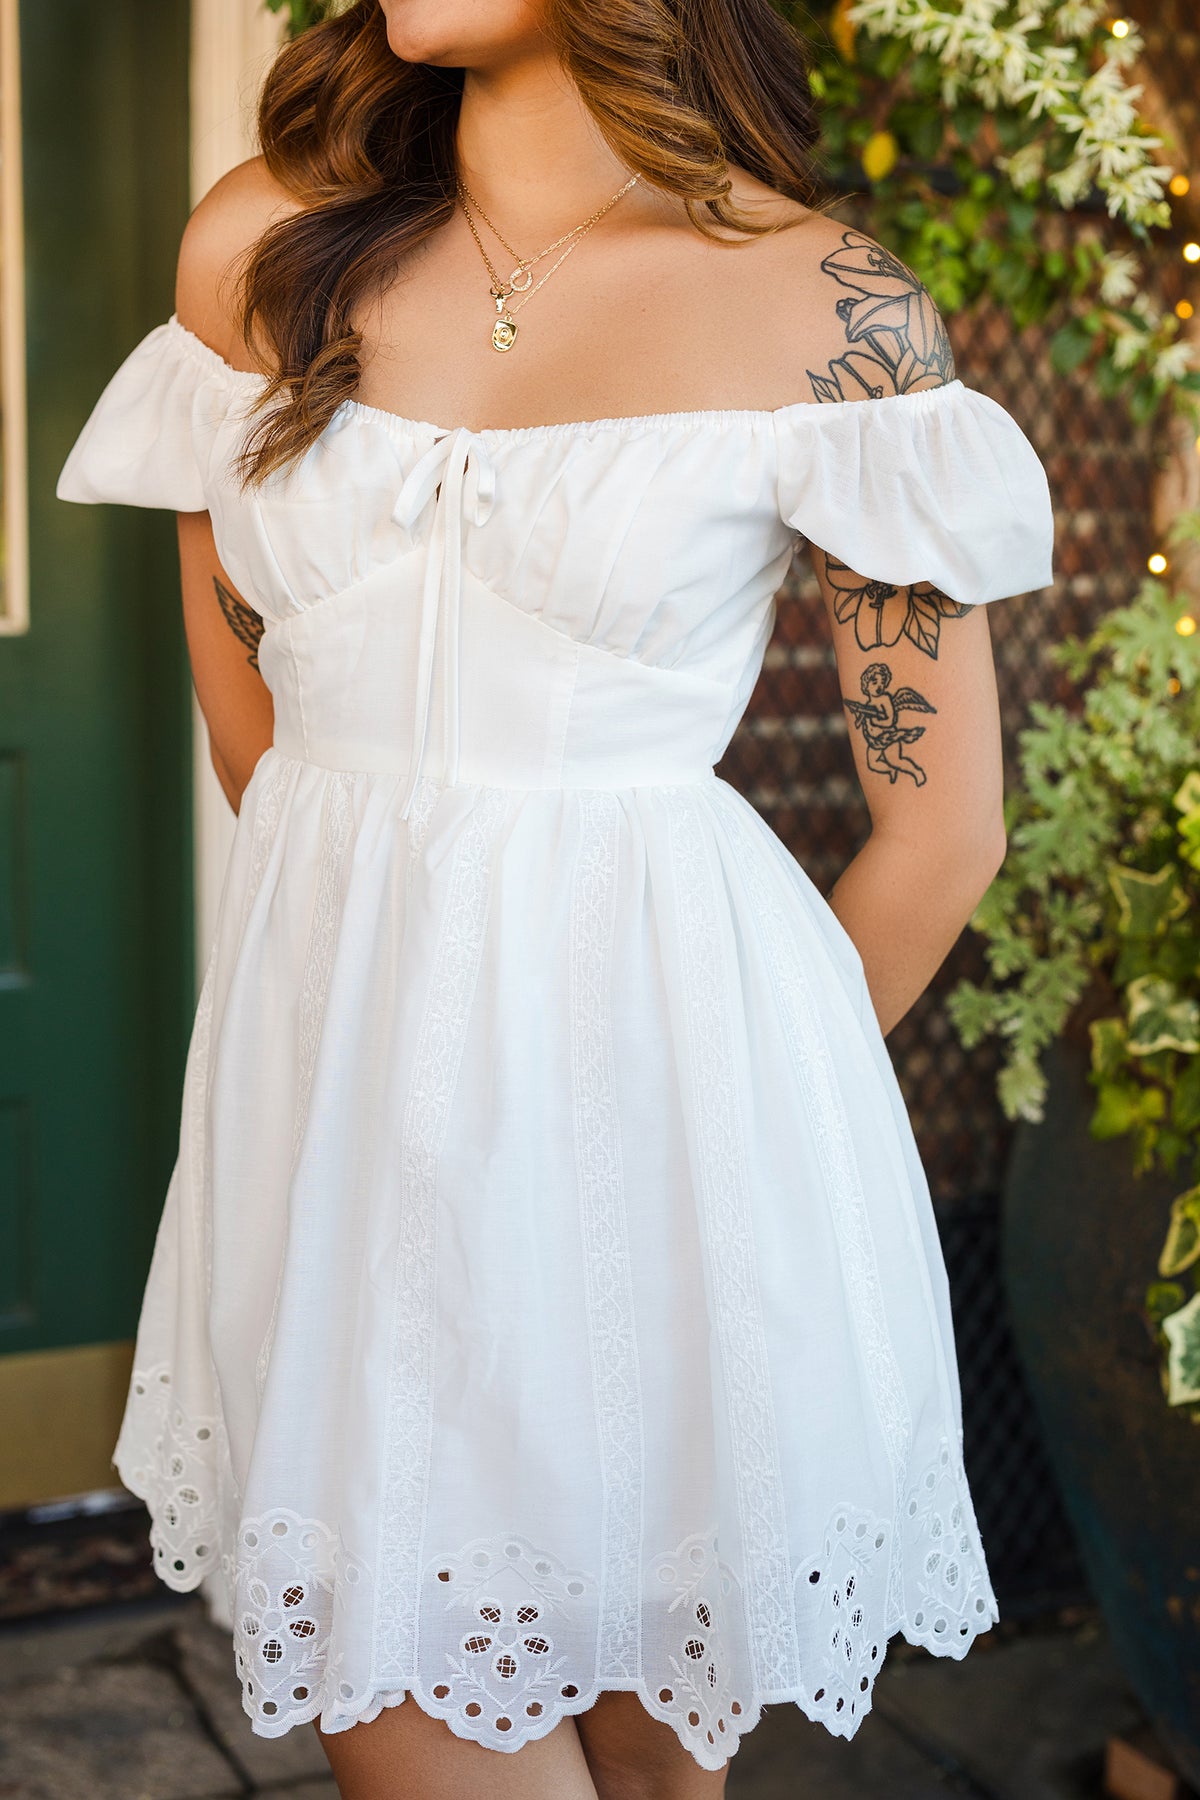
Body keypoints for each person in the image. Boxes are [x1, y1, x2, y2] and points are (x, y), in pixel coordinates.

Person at [55, 1, 1054, 1796]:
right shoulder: (258, 244)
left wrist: (733, 1137)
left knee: (658, 1769)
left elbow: (942, 832)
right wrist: (388, 1061)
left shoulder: (832, 309)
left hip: (665, 1159)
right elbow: (257, 742)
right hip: (347, 1140)